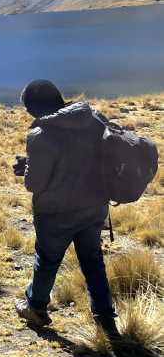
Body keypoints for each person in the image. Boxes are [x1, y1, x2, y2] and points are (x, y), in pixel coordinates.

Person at [13, 80, 118, 338]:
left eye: (29, 110)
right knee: (93, 260)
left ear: (36, 107)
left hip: (56, 212)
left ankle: (36, 307)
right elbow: (78, 159)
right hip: (93, 206)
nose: (29, 115)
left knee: (47, 259)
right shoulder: (93, 119)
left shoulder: (41, 133)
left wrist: (27, 168)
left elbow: (34, 183)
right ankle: (105, 317)